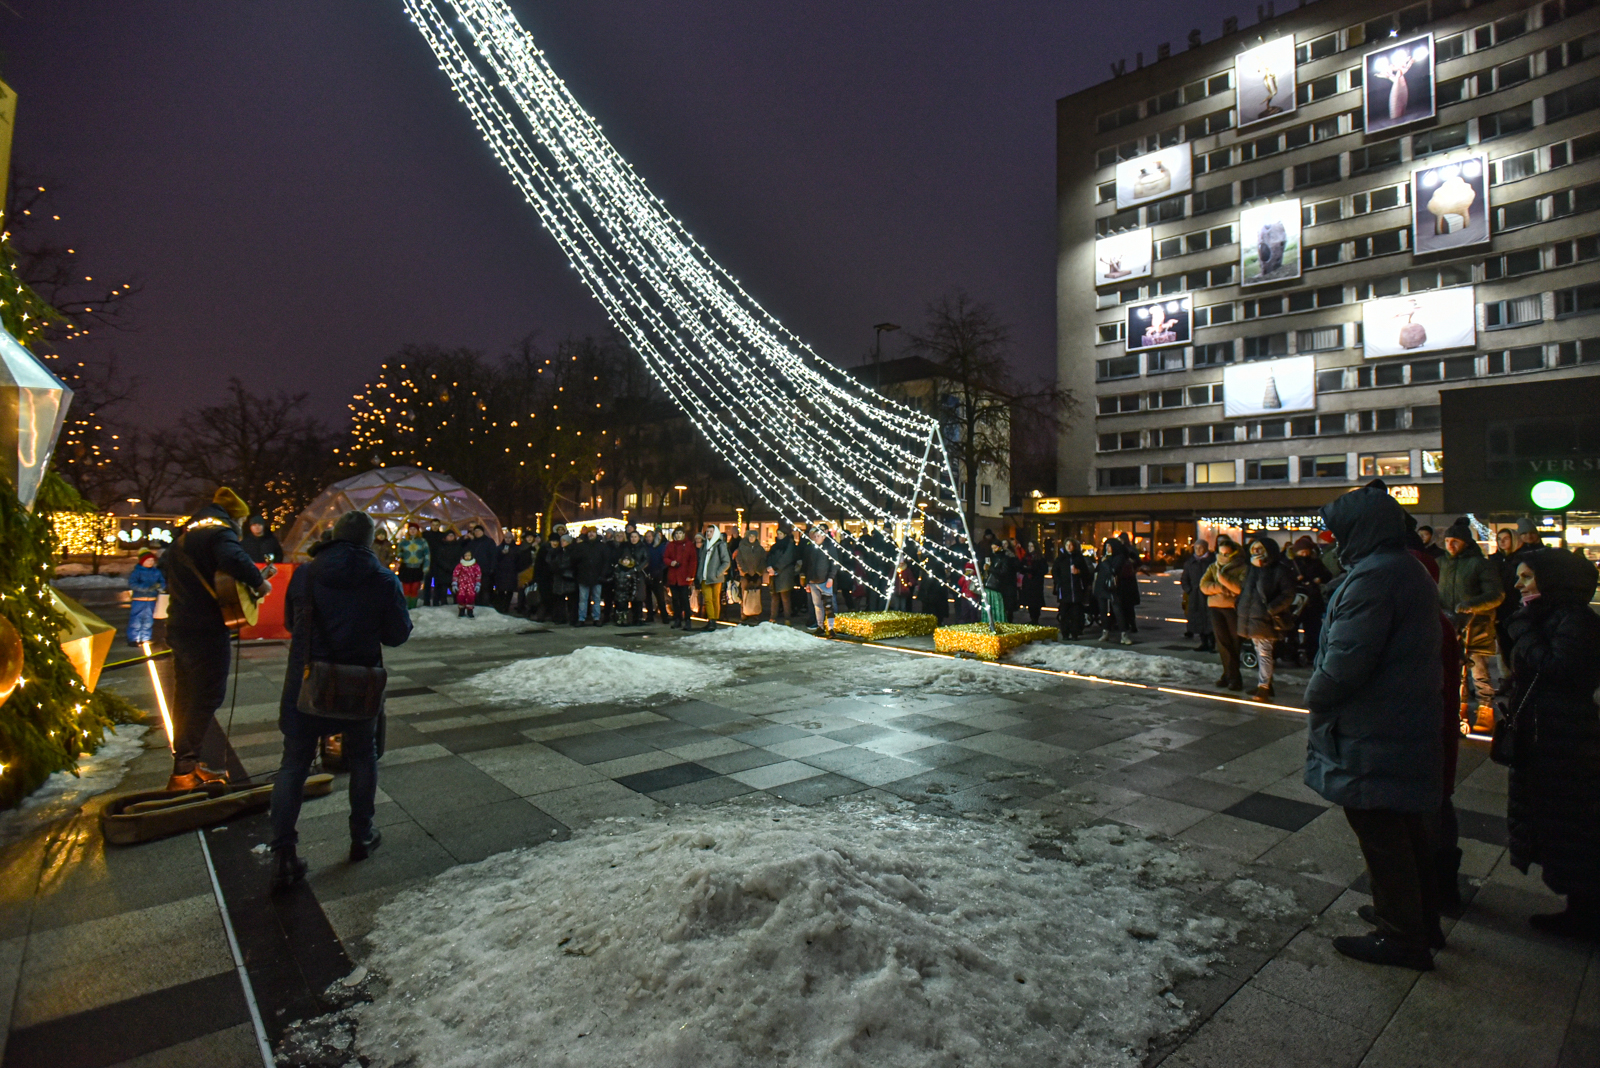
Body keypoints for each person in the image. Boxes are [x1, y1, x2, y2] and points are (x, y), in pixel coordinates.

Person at [1305, 484, 1444, 970]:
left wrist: (1316, 695)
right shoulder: (1402, 568)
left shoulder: (1375, 578)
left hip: (1374, 727)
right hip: (1397, 720)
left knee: (1382, 832)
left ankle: (1402, 935)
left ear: (1358, 530)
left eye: (1338, 532)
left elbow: (1346, 662)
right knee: (1402, 827)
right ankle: (1415, 917)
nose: (1333, 541)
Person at [267, 510, 410, 892]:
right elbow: (398, 635)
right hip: (357, 684)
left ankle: (283, 854)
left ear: (334, 537)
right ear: (369, 541)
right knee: (363, 756)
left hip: (307, 683)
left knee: (293, 764)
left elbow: (291, 623)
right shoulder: (383, 578)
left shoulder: (306, 574)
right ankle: (362, 835)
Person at [1502, 548, 1600, 939]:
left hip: (1564, 737)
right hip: (1547, 732)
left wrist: (1524, 632)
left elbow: (1561, 668)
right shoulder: (1550, 615)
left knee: (1571, 824)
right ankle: (1580, 906)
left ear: (1555, 580)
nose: (1518, 584)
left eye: (1526, 577)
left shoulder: (1575, 619)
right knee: (1557, 821)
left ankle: (1585, 911)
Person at [160, 487, 272, 790]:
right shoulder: (220, 532)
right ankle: (183, 773)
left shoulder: (186, 534)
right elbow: (234, 558)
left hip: (180, 625)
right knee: (207, 696)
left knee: (186, 696)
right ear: (236, 517)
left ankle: (186, 765)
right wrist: (259, 583)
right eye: (242, 521)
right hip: (206, 629)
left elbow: (165, 566)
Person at [1437, 518, 1504, 733]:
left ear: (1466, 542)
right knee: (1455, 670)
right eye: (1447, 541)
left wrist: (1472, 605)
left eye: (1455, 541)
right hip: (1449, 625)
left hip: (1476, 625)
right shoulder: (1441, 563)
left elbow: (1496, 594)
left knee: (1479, 671)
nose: (1450, 545)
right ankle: (1460, 708)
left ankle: (1485, 709)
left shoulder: (1480, 564)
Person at [1237, 534, 1296, 702]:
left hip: (1266, 619)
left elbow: (1288, 594)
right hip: (1252, 617)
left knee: (1264, 653)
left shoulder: (1279, 570)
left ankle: (1263, 687)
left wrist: (1270, 609)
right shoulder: (1252, 568)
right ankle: (1265, 684)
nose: (1256, 552)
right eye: (1254, 549)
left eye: (1260, 549)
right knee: (1260, 651)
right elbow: (1246, 591)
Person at [1200, 535, 1247, 691]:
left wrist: (1222, 578)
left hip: (1233, 608)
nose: (1223, 556)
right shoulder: (1213, 566)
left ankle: (1232, 677)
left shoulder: (1242, 567)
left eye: (1227, 553)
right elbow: (1204, 586)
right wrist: (1220, 588)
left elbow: (1239, 588)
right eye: (1221, 553)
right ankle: (1231, 676)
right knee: (1222, 642)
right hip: (1215, 607)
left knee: (1234, 642)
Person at [1286, 536, 1332, 666]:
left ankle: (1312, 655)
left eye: (1307, 551)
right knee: (1293, 630)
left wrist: (1319, 579)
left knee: (1313, 630)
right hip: (1297, 601)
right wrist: (1295, 579)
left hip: (1312, 600)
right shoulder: (1290, 563)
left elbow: (1327, 575)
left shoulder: (1315, 562)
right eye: (1302, 551)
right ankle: (1292, 654)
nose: (1305, 554)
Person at [1094, 537, 1133, 644]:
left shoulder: (1119, 557)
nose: (1107, 549)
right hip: (1101, 586)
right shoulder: (1104, 557)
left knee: (1117, 610)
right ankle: (1105, 631)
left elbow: (1113, 570)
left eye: (1109, 547)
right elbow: (1098, 570)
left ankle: (1123, 634)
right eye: (1106, 547)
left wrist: (1105, 562)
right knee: (1102, 611)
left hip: (1112, 587)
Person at [802, 526, 841, 636]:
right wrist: (807, 581)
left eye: (818, 536)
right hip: (813, 581)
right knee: (817, 605)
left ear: (823, 537)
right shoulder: (811, 548)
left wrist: (831, 577)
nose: (816, 538)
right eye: (815, 536)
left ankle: (831, 628)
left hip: (825, 580)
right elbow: (808, 565)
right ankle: (820, 626)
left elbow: (834, 563)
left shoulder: (829, 547)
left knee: (828, 605)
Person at [1180, 540, 1215, 652]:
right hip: (1195, 595)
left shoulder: (1212, 561)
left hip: (1209, 594)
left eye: (1201, 548)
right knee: (1198, 618)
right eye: (1196, 548)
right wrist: (1189, 590)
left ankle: (1212, 643)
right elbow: (1184, 579)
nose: (1198, 550)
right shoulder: (1190, 563)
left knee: (1211, 619)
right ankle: (1203, 642)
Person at [125, 550, 164, 646]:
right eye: (148, 560)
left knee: (148, 620)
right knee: (136, 620)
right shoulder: (137, 572)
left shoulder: (156, 572)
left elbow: (162, 582)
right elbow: (132, 584)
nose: (150, 562)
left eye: (152, 560)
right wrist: (147, 588)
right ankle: (133, 639)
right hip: (139, 599)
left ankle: (145, 638)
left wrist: (160, 587)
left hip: (151, 599)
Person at [696, 523, 731, 630]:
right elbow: (701, 560)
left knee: (715, 599)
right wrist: (699, 574)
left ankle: (714, 620)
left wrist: (717, 573)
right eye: (707, 532)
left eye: (711, 531)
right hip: (704, 577)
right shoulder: (704, 545)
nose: (708, 533)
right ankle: (711, 620)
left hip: (715, 578)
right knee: (708, 599)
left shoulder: (720, 545)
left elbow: (726, 562)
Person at [571, 526, 607, 626]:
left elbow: (606, 561)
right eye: (590, 532)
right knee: (583, 599)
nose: (591, 534)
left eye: (593, 532)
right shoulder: (581, 546)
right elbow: (574, 559)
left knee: (596, 599)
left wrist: (602, 574)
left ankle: (596, 618)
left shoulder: (601, 546)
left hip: (597, 576)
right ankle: (582, 618)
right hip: (584, 576)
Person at [663, 527, 697, 628]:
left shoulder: (689, 545)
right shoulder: (671, 545)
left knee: (684, 599)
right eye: (677, 533)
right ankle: (677, 619)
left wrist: (691, 575)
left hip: (684, 576)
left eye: (680, 533)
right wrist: (671, 562)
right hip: (673, 576)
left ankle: (687, 620)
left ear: (684, 534)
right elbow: (665, 557)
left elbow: (693, 561)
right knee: (675, 599)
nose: (678, 535)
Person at [766, 527, 800, 624]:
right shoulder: (775, 546)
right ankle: (773, 617)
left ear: (785, 534)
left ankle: (787, 618)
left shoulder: (789, 545)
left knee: (785, 597)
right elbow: (769, 557)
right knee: (774, 597)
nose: (779, 536)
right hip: (774, 574)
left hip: (785, 574)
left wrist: (776, 568)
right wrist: (769, 567)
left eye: (781, 534)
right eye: (778, 534)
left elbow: (787, 559)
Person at [613, 531, 647, 626]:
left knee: (638, 596)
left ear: (638, 538)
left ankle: (638, 617)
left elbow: (646, 560)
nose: (633, 539)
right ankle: (628, 618)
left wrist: (637, 569)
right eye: (632, 537)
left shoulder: (642, 547)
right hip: (627, 573)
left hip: (638, 574)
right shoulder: (627, 547)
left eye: (635, 537)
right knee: (627, 597)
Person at [735, 526, 767, 624]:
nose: (751, 538)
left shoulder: (760, 549)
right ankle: (744, 614)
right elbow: (739, 560)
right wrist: (744, 572)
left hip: (757, 575)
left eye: (753, 536)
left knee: (756, 594)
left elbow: (763, 561)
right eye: (750, 536)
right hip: (745, 575)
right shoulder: (742, 548)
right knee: (745, 594)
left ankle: (755, 613)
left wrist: (758, 572)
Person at [396, 522, 430, 609]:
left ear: (417, 531)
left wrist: (426, 567)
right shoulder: (404, 542)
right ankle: (406, 607)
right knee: (406, 589)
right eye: (411, 529)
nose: (412, 531)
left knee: (414, 589)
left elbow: (427, 555)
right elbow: (398, 553)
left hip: (417, 568)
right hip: (406, 568)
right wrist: (400, 557)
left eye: (414, 529)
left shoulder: (422, 542)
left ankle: (413, 607)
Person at [428, 529, 462, 607]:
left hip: (454, 571)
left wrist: (453, 566)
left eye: (452, 536)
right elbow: (438, 558)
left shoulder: (458, 546)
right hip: (442, 571)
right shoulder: (440, 546)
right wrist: (446, 566)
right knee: (443, 590)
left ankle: (456, 604)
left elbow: (459, 558)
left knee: (455, 589)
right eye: (449, 535)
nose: (450, 537)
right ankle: (443, 603)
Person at [641, 528, 668, 623]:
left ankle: (664, 616)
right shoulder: (644, 547)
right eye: (646, 537)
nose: (648, 538)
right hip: (646, 574)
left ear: (653, 537)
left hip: (657, 573)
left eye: (650, 536)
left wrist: (659, 570)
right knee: (647, 597)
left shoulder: (659, 547)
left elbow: (664, 560)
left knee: (660, 597)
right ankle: (650, 616)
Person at [1020, 542, 1048, 625]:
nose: (1030, 548)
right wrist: (1025, 569)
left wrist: (1033, 570)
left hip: (1036, 582)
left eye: (1031, 546)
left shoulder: (1040, 558)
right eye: (1029, 546)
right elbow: (1021, 567)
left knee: (1035, 602)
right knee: (1029, 601)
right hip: (1028, 582)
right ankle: (1032, 618)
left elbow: (1043, 570)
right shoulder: (1026, 557)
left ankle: (1035, 618)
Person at [452, 549, 481, 618]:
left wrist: (478, 584)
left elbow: (478, 575)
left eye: (469, 555)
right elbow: (455, 574)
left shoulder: (475, 566)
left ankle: (470, 611)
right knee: (461, 596)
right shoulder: (460, 565)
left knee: (471, 596)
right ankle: (461, 610)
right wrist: (455, 584)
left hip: (471, 584)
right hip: (462, 584)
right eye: (466, 555)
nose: (467, 557)